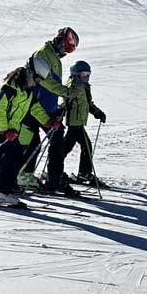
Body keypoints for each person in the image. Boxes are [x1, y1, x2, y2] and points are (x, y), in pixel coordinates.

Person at [21, 27, 77, 190]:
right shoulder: (43, 53)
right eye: (65, 48)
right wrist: (65, 92)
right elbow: (46, 81)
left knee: (43, 142)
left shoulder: (53, 57)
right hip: (36, 106)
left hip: (46, 106)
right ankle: (50, 178)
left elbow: (53, 84)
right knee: (38, 142)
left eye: (68, 50)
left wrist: (60, 103)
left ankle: (37, 176)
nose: (65, 52)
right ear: (59, 41)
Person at [0, 65, 51, 207]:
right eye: (37, 79)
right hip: (1, 128)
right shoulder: (10, 88)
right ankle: (1, 193)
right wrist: (5, 130)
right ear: (30, 75)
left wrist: (47, 121)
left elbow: (35, 107)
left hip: (12, 130)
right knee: (13, 159)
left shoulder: (28, 91)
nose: (37, 83)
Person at [45, 60, 106, 194]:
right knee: (87, 145)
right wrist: (59, 112)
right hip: (74, 121)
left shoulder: (83, 86)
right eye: (84, 74)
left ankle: (54, 171)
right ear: (76, 74)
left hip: (78, 121)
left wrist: (97, 112)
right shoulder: (73, 86)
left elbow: (87, 103)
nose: (86, 77)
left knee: (66, 147)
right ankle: (84, 173)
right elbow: (64, 101)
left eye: (88, 74)